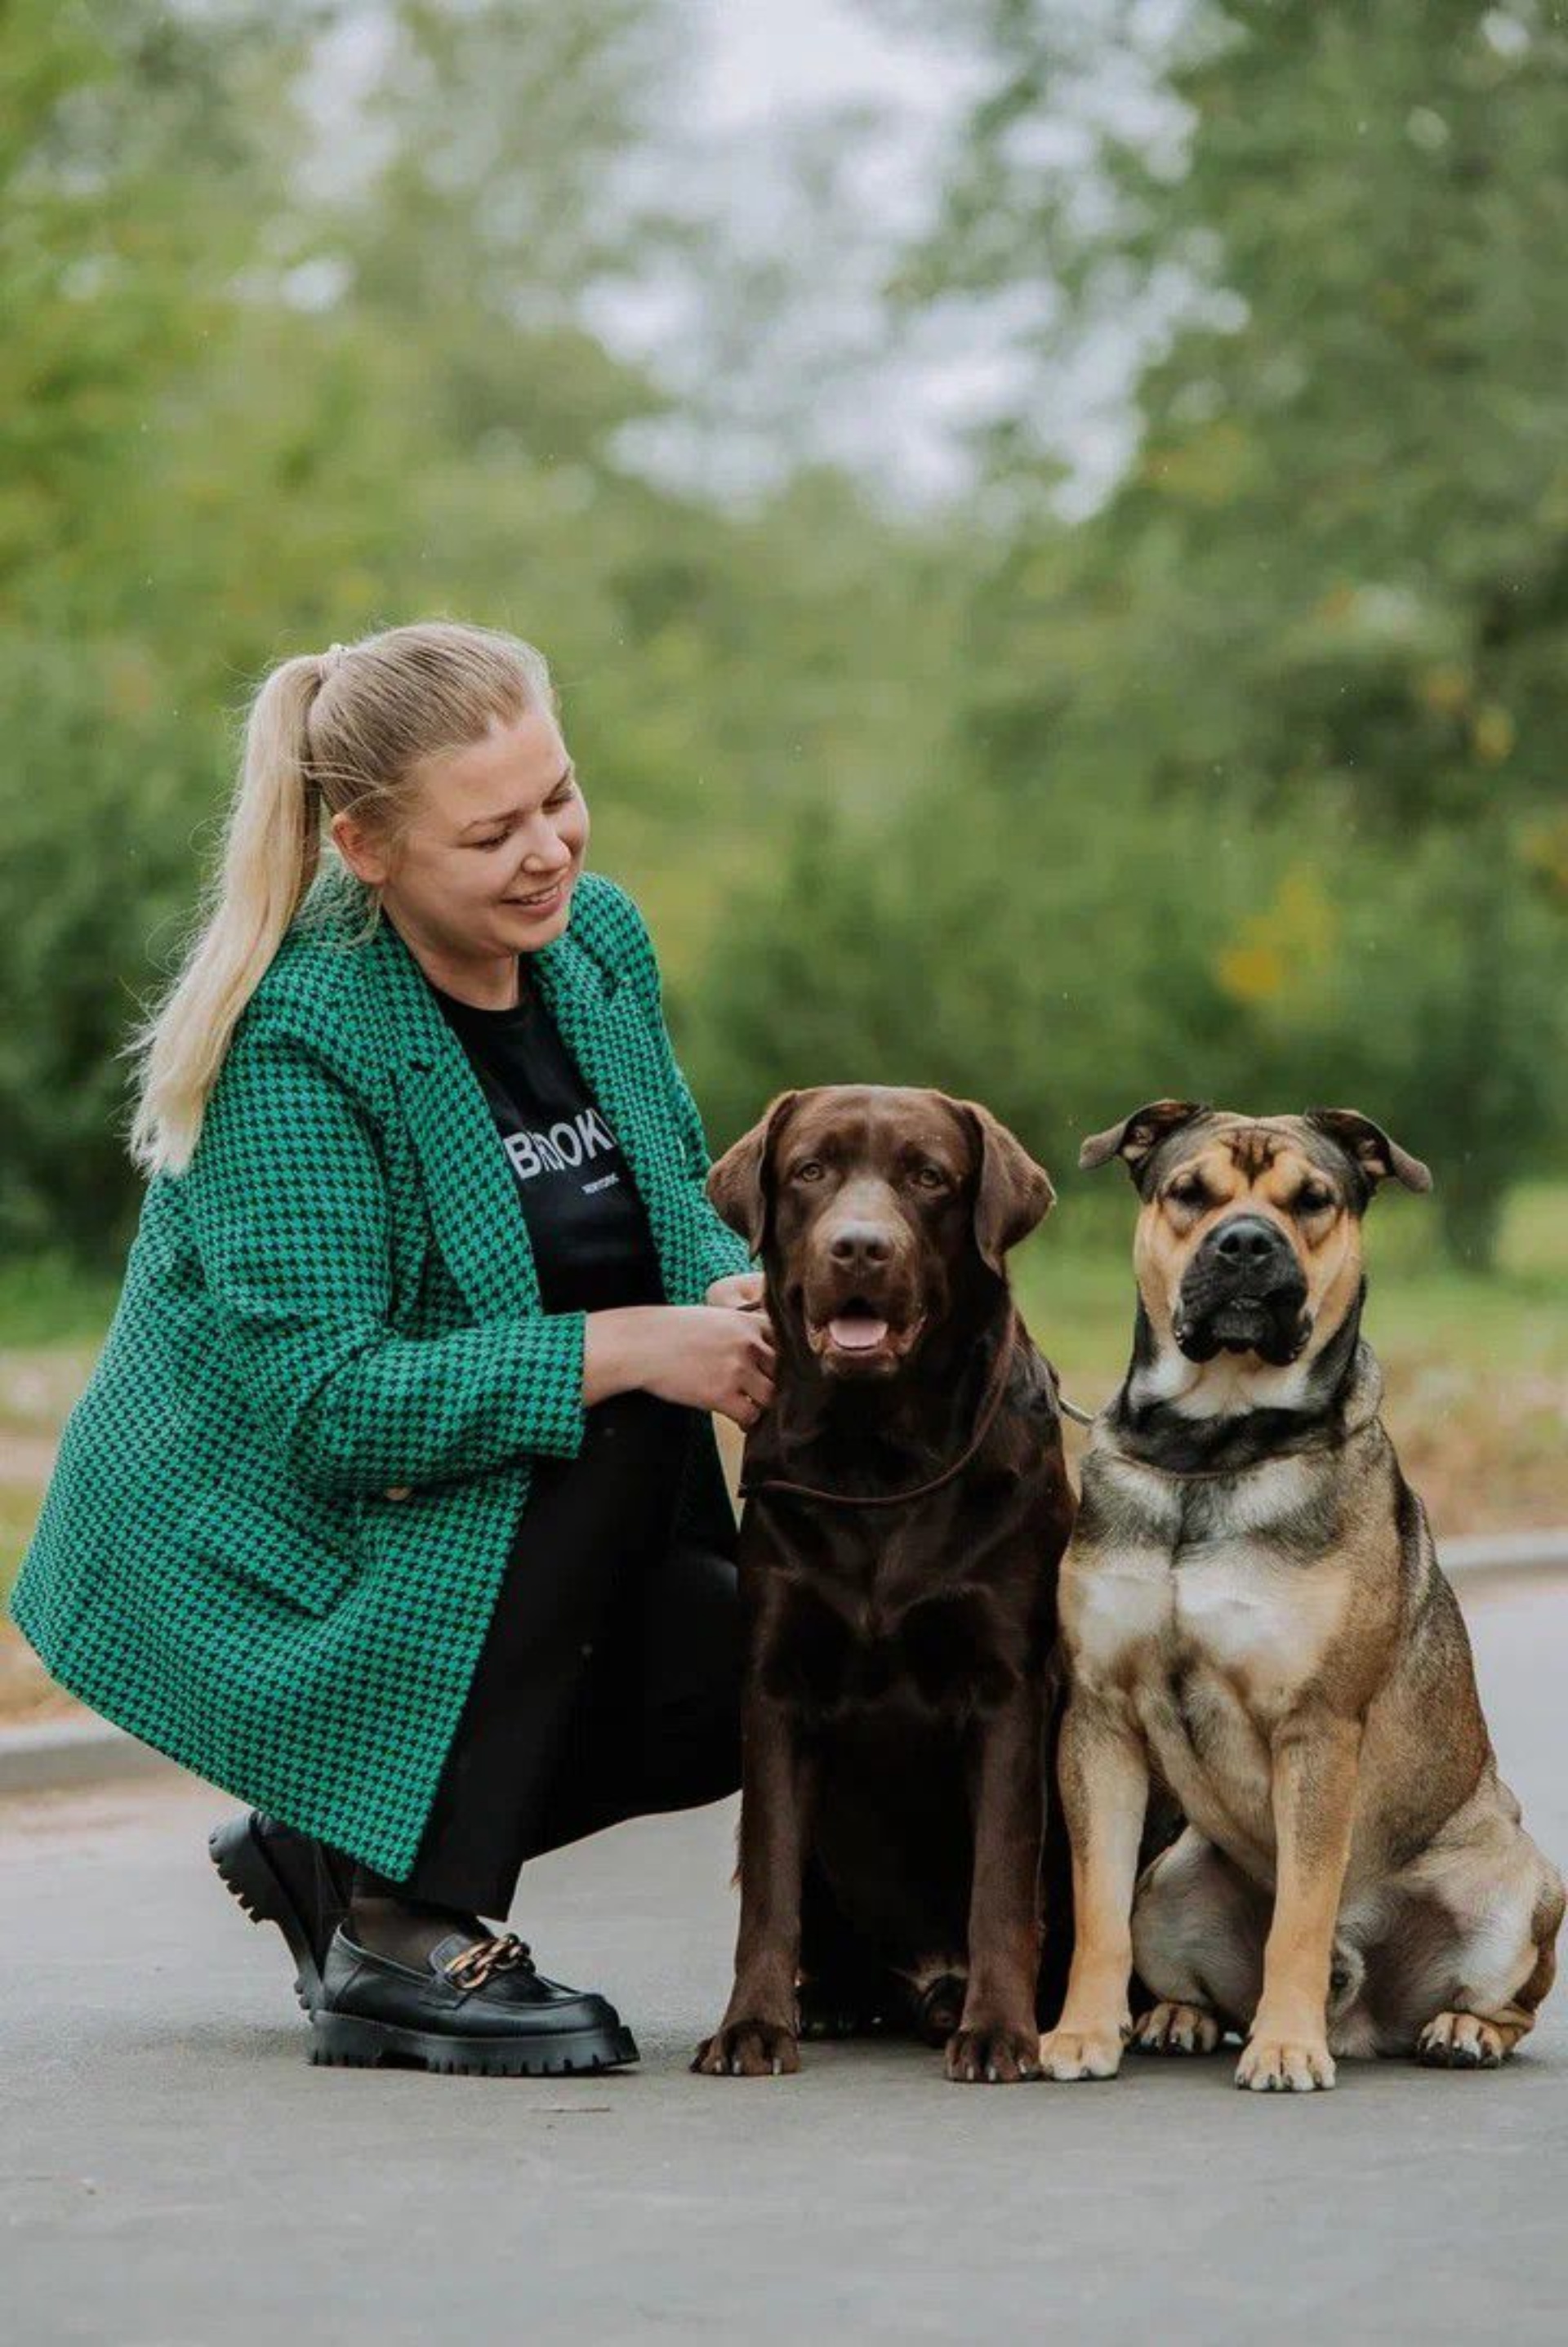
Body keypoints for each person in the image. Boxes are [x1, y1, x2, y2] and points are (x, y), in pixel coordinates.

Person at [10, 621, 776, 2076]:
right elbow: (329, 1407)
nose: (550, 847)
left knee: (766, 1664)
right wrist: (625, 1348)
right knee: (606, 1403)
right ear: (364, 845)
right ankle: (402, 1928)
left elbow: (665, 1191)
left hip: (496, 1524)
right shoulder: (294, 1038)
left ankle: (324, 1840)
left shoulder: (594, 942)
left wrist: (742, 1305)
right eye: (493, 831)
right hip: (291, 1553)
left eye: (559, 796)